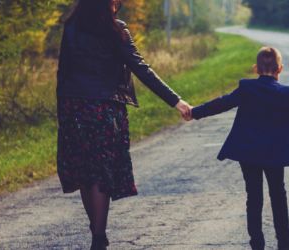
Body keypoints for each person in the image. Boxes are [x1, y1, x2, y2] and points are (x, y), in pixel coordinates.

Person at [54, 0, 192, 249]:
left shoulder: (72, 27)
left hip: (74, 108)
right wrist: (176, 101)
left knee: (86, 172)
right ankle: (98, 235)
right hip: (105, 109)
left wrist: (62, 112)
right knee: (101, 173)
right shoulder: (116, 30)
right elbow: (141, 68)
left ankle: (97, 230)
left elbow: (62, 71)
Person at [189, 47, 289, 250]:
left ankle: (257, 244)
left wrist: (194, 112)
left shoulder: (246, 88)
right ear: (280, 69)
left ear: (256, 68)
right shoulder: (288, 94)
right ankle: (284, 240)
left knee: (254, 196)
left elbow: (222, 103)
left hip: (248, 152)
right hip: (275, 154)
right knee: (277, 193)